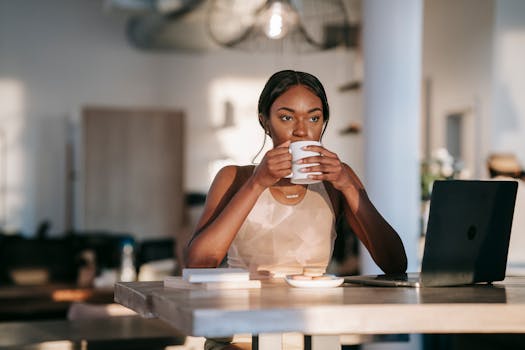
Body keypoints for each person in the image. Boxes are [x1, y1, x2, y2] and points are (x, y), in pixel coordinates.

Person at [185, 69, 407, 350]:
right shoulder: (235, 178)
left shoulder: (337, 181)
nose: (302, 131)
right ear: (264, 121)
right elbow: (197, 263)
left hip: (316, 335)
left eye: (314, 118)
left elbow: (395, 264)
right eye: (286, 117)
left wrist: (349, 187)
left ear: (323, 122)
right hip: (240, 336)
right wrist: (257, 184)